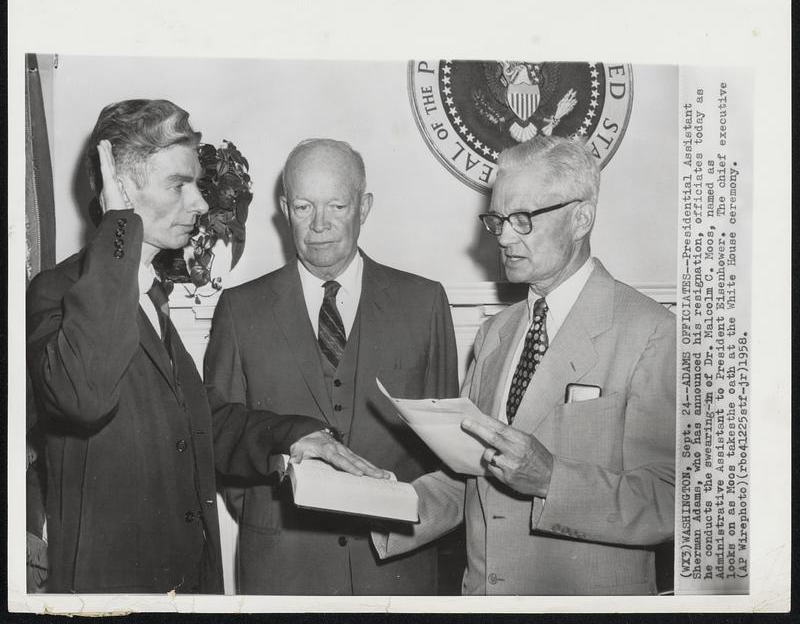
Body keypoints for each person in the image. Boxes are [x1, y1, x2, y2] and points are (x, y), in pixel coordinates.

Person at [26, 100, 388, 594]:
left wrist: (294, 436)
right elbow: (85, 397)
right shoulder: (58, 293)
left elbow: (198, 422)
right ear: (123, 187)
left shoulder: (151, 294)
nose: (199, 203)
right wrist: (118, 227)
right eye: (179, 184)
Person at [372, 135, 676, 595]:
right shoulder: (497, 332)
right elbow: (472, 480)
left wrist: (552, 479)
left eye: (522, 219)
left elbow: (672, 500)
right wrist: (374, 503)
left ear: (581, 218)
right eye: (498, 219)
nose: (504, 237)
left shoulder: (652, 331)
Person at [204, 138, 459, 595]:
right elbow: (219, 435)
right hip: (282, 570)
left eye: (336, 206)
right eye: (303, 207)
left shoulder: (423, 303)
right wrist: (278, 511)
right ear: (284, 209)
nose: (319, 225)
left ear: (364, 207)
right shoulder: (240, 310)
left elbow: (444, 455)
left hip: (397, 573)